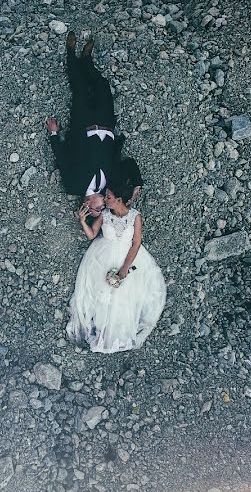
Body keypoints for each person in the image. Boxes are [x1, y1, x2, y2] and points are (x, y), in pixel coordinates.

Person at [46, 31, 143, 218]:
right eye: (102, 209)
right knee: (103, 87)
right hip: (106, 124)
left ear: (87, 205)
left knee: (80, 90)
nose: (103, 206)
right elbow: (129, 163)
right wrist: (137, 184)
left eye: (99, 209)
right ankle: (87, 61)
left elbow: (62, 159)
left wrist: (54, 134)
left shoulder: (73, 185)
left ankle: (71, 54)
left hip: (83, 126)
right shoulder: (111, 185)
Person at [66, 180, 166, 353]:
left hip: (130, 258)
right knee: (101, 293)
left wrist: (124, 270)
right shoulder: (104, 214)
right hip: (103, 255)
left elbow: (136, 243)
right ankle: (101, 331)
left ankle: (118, 334)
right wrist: (83, 221)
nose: (105, 199)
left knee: (125, 298)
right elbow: (92, 235)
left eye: (109, 197)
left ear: (119, 200)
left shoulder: (135, 216)